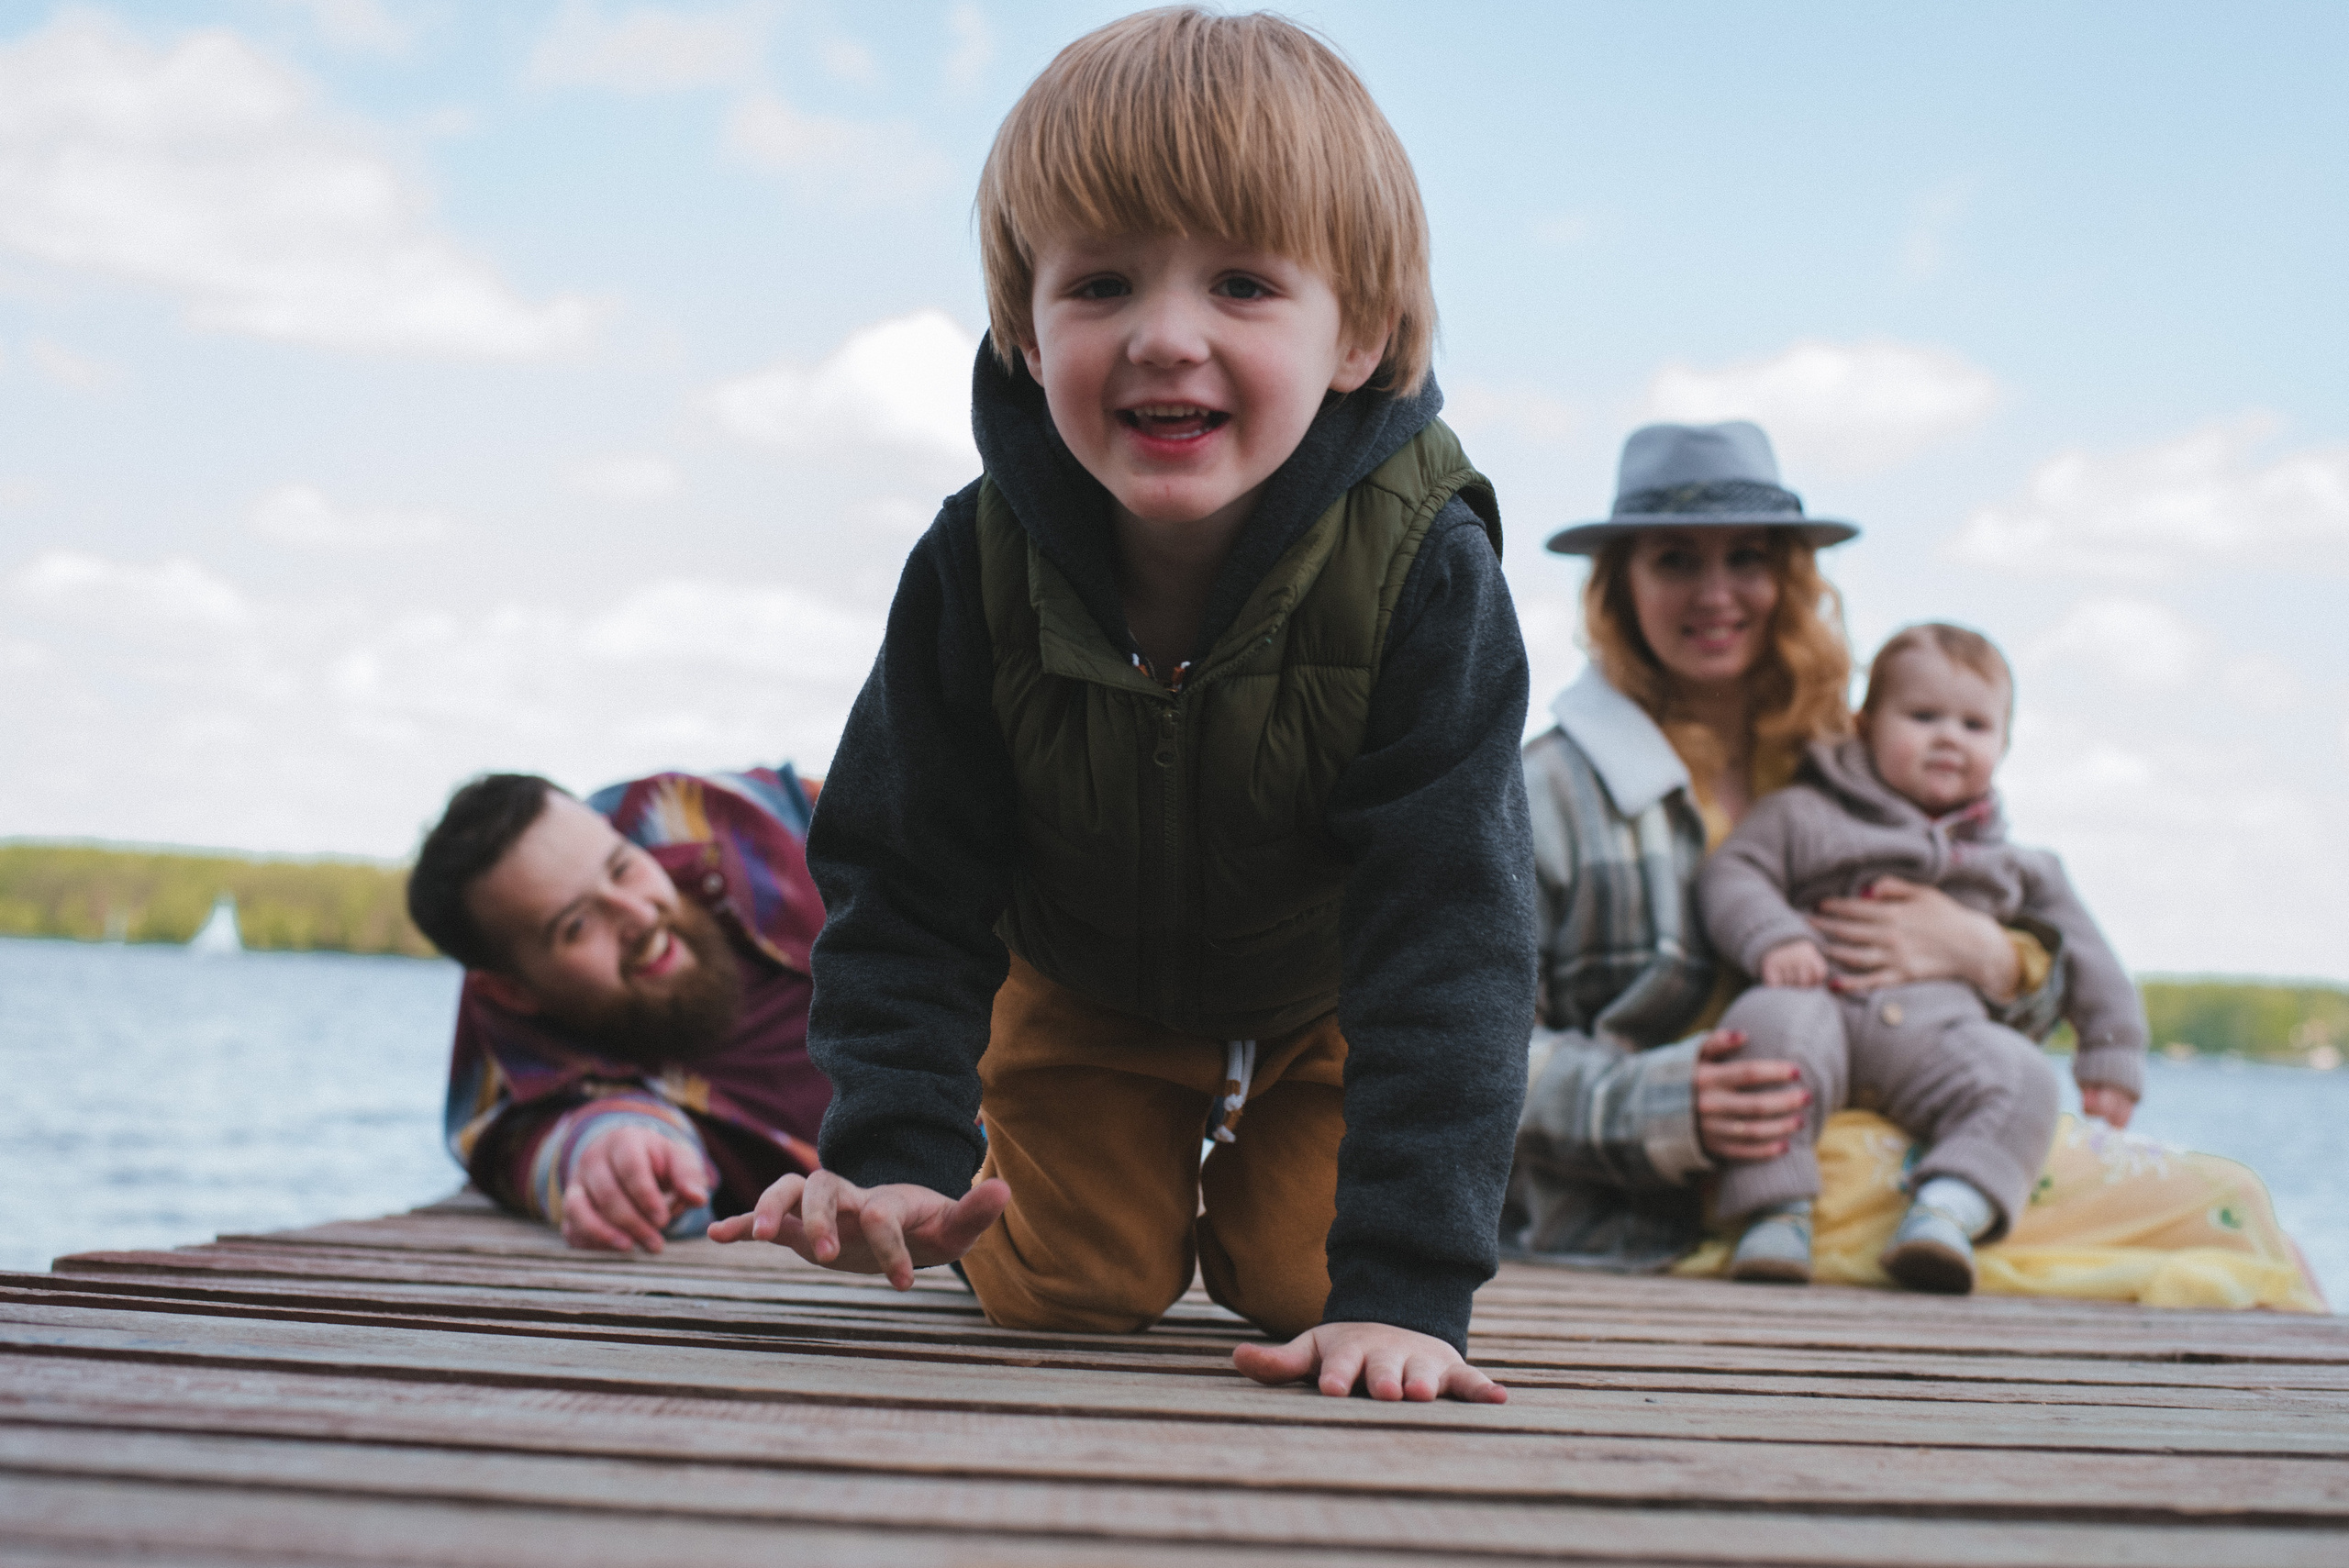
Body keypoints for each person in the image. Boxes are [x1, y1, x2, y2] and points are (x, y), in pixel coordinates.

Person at [710, 8, 1534, 1405]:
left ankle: (1303, 1214)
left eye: (1242, 286)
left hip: (1324, 991)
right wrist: (900, 1140)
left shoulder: (1423, 567)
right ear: (1026, 333)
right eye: (1099, 285)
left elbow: (1453, 924)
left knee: (1309, 1285)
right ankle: (1081, 1172)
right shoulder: (975, 564)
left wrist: (1408, 1287)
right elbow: (906, 866)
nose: (1165, 336)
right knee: (1065, 1283)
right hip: (1084, 977)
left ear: (1361, 335)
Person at [1503, 420, 2068, 1272]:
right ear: (1618, 589)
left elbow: (2016, 1010)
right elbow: (1458, 1049)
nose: (1716, 593)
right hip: (1651, 1227)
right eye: (1675, 560)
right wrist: (1660, 1103)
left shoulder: (1864, 764)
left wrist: (1991, 957)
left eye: (1749, 557)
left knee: (2225, 1219)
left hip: (1901, 1176)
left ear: (1791, 578)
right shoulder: (1544, 791)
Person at [1698, 623, 2147, 1292]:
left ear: (2004, 744)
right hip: (1819, 999)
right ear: (1866, 722)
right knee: (1762, 1029)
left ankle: (1946, 1212)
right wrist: (1774, 936)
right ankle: (1776, 1212)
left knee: (2025, 1077)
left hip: (1938, 1037)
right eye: (1924, 716)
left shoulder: (2020, 865)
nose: (1949, 737)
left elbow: (2089, 958)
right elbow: (1733, 872)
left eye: (1975, 725)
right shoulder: (1805, 813)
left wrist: (2114, 1054)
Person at [409, 766, 831, 1253]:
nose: (639, 915)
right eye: (578, 925)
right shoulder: (519, 1082)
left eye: (622, 868)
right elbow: (538, 1144)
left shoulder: (698, 814)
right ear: (512, 993)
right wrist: (613, 1156)